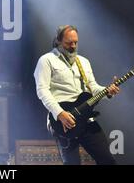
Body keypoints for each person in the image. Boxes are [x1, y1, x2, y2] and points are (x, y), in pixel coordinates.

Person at [33, 25, 120, 165]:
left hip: (86, 118)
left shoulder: (84, 62)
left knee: (107, 161)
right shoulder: (46, 60)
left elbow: (93, 88)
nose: (73, 46)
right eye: (68, 43)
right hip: (63, 121)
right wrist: (60, 113)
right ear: (58, 41)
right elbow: (42, 90)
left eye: (75, 42)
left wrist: (107, 91)